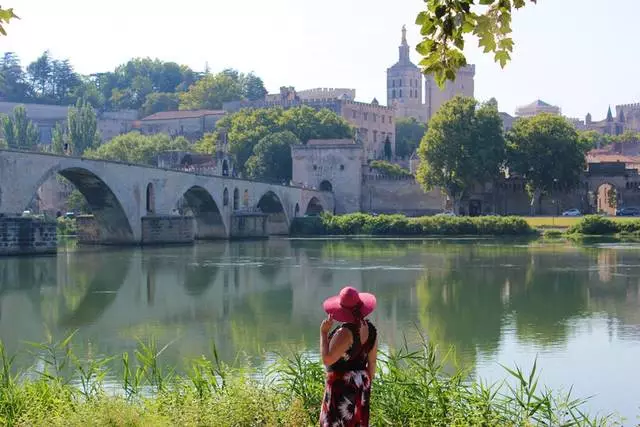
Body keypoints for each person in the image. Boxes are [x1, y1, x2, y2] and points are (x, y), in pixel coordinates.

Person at [319, 286, 378, 427]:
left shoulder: (344, 333)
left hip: (343, 384)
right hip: (361, 381)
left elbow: (327, 359)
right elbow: (372, 361)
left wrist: (323, 333)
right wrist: (364, 384)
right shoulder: (371, 329)